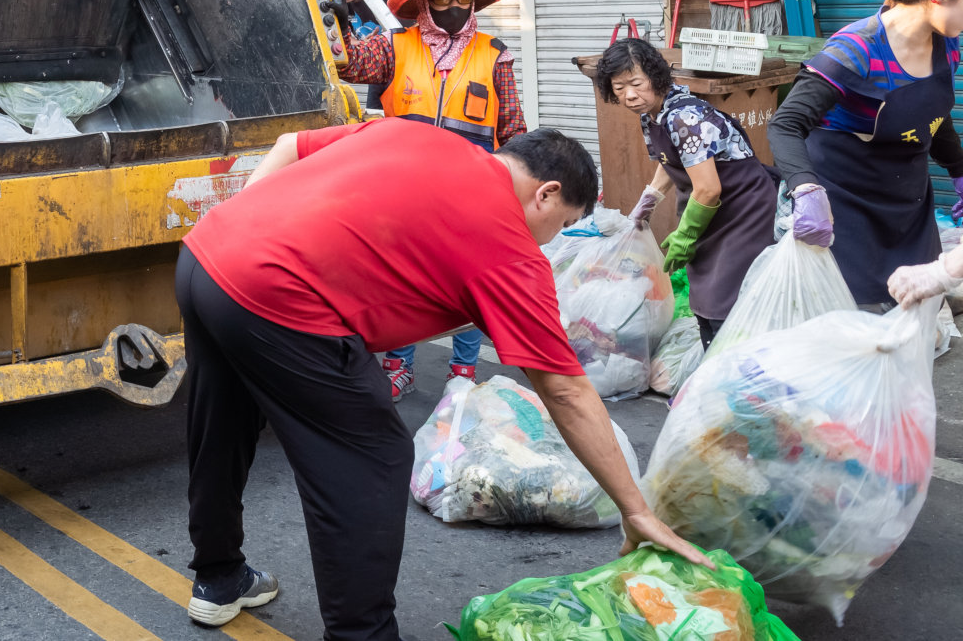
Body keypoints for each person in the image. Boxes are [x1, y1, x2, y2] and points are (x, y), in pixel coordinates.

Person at [175, 120, 707, 638]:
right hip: (279, 298)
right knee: (371, 456)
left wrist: (245, 235)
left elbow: (290, 145)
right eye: (564, 225)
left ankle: (219, 578)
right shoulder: (509, 249)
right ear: (545, 194)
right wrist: (635, 509)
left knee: (222, 421)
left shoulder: (415, 132)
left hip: (208, 254)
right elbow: (565, 389)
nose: (555, 239)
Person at [336, 0, 527, 398]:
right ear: (423, 4)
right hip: (403, 194)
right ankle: (397, 366)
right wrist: (337, 8)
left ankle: (463, 371)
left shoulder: (494, 55)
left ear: (474, 3)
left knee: (468, 288)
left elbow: (514, 129)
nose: (454, 8)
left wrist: (517, 192)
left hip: (471, 195)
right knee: (403, 285)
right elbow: (346, 62)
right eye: (442, 0)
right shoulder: (394, 46)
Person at [768, 0, 963, 308]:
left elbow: (932, 117)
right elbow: (786, 124)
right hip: (843, 209)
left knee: (912, 318)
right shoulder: (855, 50)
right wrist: (806, 190)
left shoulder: (947, 44)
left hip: (906, 207)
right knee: (850, 327)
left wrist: (958, 169)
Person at [597, 37, 778, 346]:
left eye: (636, 83)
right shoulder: (653, 116)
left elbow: (708, 188)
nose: (629, 95)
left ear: (655, 76)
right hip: (711, 211)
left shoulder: (684, 117)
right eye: (618, 88)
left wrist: (685, 235)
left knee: (726, 300)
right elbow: (669, 162)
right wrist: (648, 202)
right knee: (705, 297)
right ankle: (713, 365)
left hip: (742, 210)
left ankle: (733, 372)